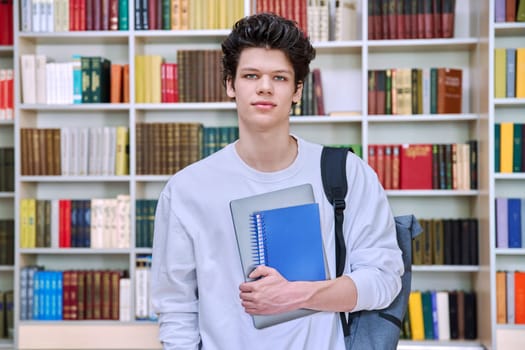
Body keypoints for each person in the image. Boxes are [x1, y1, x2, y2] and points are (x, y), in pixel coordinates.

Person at [150, 13, 403, 350]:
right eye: (251, 75)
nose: (265, 87)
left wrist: (298, 293)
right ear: (230, 84)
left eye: (280, 77)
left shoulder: (346, 173)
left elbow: (384, 279)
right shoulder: (186, 190)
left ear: (298, 90)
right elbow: (176, 309)